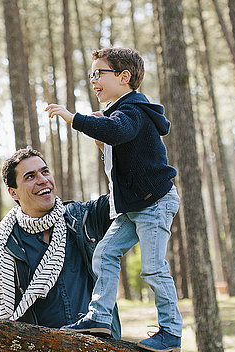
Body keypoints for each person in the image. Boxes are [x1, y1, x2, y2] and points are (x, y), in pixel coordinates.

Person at [45, 47, 182, 352]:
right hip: (133, 207)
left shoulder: (132, 110)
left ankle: (171, 333)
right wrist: (98, 136)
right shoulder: (118, 112)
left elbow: (118, 131)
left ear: (124, 77)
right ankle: (100, 317)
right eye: (91, 74)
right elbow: (119, 153)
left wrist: (74, 119)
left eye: (99, 73)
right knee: (104, 253)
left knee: (153, 267)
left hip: (155, 204)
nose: (93, 80)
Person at [0, 147, 121, 338]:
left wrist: (108, 149)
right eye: (30, 176)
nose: (42, 180)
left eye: (45, 171)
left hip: (99, 344)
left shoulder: (84, 218)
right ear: (14, 193)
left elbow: (127, 194)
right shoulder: (3, 248)